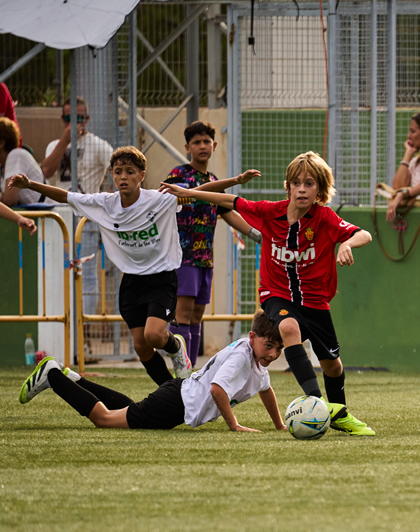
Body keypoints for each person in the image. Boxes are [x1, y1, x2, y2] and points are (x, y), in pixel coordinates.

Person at [159, 151, 377, 436]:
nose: (302, 188)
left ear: (319, 190)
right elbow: (230, 200)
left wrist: (346, 245)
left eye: (309, 183)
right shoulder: (268, 211)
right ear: (287, 187)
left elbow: (364, 234)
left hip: (316, 302)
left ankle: (340, 414)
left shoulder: (324, 218)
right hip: (275, 294)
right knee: (288, 327)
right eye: (296, 182)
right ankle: (318, 404)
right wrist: (190, 192)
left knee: (333, 366)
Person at [8, 147, 193, 385]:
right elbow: (65, 196)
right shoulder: (105, 203)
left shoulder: (159, 200)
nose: (123, 176)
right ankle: (172, 392)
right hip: (132, 282)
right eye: (118, 172)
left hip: (162, 278)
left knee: (154, 335)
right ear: (112, 175)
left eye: (130, 171)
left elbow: (203, 193)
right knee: (140, 346)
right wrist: (30, 184)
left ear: (142, 175)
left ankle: (177, 348)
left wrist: (235, 184)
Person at [18, 311, 286, 433]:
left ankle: (73, 380)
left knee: (129, 410)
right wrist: (235, 425)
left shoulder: (254, 357)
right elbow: (217, 390)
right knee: (104, 419)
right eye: (269, 346)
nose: (273, 354)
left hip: (176, 398)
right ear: (253, 337)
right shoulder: (242, 356)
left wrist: (279, 425)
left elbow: (265, 388)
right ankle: (52, 376)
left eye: (279, 349)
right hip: (174, 405)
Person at [163, 121, 263, 366]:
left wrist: (256, 234)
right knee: (183, 316)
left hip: (205, 259)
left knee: (197, 316)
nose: (202, 146)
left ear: (214, 145)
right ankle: (181, 369)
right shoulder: (179, 175)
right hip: (183, 258)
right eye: (196, 142)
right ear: (187, 147)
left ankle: (194, 369)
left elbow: (227, 212)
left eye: (206, 141)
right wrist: (236, 180)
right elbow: (193, 192)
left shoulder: (214, 179)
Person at [39, 97, 113, 322]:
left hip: (86, 218)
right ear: (62, 119)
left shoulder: (98, 145)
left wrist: (108, 201)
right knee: (58, 273)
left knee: (87, 274)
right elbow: (46, 171)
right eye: (69, 118)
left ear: (87, 119)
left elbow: (118, 171)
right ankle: (64, 327)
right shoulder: (55, 145)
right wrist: (65, 139)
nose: (75, 122)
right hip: (59, 217)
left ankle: (85, 332)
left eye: (79, 118)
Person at [0, 117, 46, 206]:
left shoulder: (15, 155)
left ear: (1, 143)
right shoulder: (3, 165)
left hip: (50, 217)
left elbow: (10, 200)